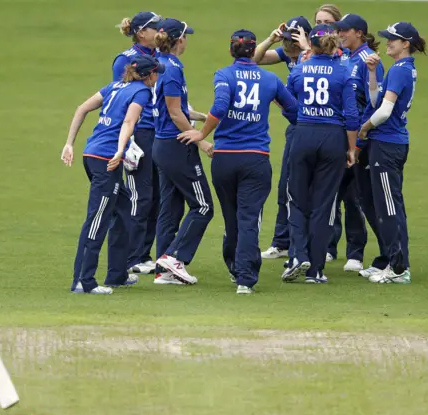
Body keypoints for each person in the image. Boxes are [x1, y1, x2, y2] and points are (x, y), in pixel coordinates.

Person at [179, 30, 297, 294]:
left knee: (232, 218)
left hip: (224, 160)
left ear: (232, 50)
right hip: (256, 159)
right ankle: (245, 278)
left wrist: (201, 133)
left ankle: (234, 267)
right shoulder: (270, 79)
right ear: (254, 50)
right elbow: (294, 110)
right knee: (248, 218)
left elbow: (220, 106)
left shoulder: (223, 75)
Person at [61, 55, 165, 294]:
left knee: (124, 207)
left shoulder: (114, 86)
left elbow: (82, 108)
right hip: (106, 159)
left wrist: (69, 143)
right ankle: (82, 281)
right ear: (149, 75)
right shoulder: (142, 92)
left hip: (93, 155)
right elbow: (129, 122)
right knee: (98, 218)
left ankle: (117, 274)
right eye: (156, 73)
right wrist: (120, 151)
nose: (157, 77)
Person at [282, 24, 359, 283]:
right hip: (333, 138)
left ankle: (298, 254)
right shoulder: (344, 71)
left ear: (311, 45)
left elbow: (288, 104)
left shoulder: (300, 69)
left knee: (297, 199)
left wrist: (301, 119)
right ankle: (315, 270)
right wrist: (351, 149)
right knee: (324, 205)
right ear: (334, 43)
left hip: (303, 134)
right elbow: (351, 115)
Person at [358, 22, 427, 284]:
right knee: (388, 205)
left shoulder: (400, 70)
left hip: (387, 144)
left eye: (393, 40)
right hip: (389, 143)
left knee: (389, 207)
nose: (388, 43)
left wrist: (365, 127)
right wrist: (373, 73)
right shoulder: (400, 69)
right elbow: (376, 101)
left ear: (405, 43)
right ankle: (392, 261)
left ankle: (399, 269)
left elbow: (384, 112)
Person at [152, 18, 212, 285]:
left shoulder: (161, 64)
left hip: (162, 145)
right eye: (186, 36)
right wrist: (201, 139)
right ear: (179, 40)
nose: (187, 40)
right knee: (203, 206)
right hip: (177, 145)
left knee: (171, 208)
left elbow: (178, 108)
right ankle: (174, 258)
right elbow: (175, 113)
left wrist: (205, 117)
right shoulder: (173, 69)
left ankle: (163, 272)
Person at [325, 13, 386, 272]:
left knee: (357, 197)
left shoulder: (367, 60)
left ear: (359, 33)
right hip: (341, 136)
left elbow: (374, 103)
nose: (339, 34)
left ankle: (360, 253)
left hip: (361, 139)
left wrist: (359, 139)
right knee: (333, 193)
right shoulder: (343, 57)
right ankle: (327, 247)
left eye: (344, 31)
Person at [256, 16, 313, 261]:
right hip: (296, 127)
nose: (288, 45)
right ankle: (282, 242)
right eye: (287, 39)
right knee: (285, 187)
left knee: (313, 191)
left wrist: (306, 50)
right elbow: (254, 59)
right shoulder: (290, 54)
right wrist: (271, 38)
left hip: (314, 127)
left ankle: (322, 247)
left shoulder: (313, 57)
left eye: (293, 40)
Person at [113, 12, 162, 275]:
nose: (159, 31)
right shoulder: (125, 59)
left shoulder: (159, 59)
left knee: (155, 196)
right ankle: (130, 256)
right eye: (155, 28)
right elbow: (117, 99)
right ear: (141, 33)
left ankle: (143, 253)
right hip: (138, 135)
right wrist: (128, 141)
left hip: (159, 134)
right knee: (139, 197)